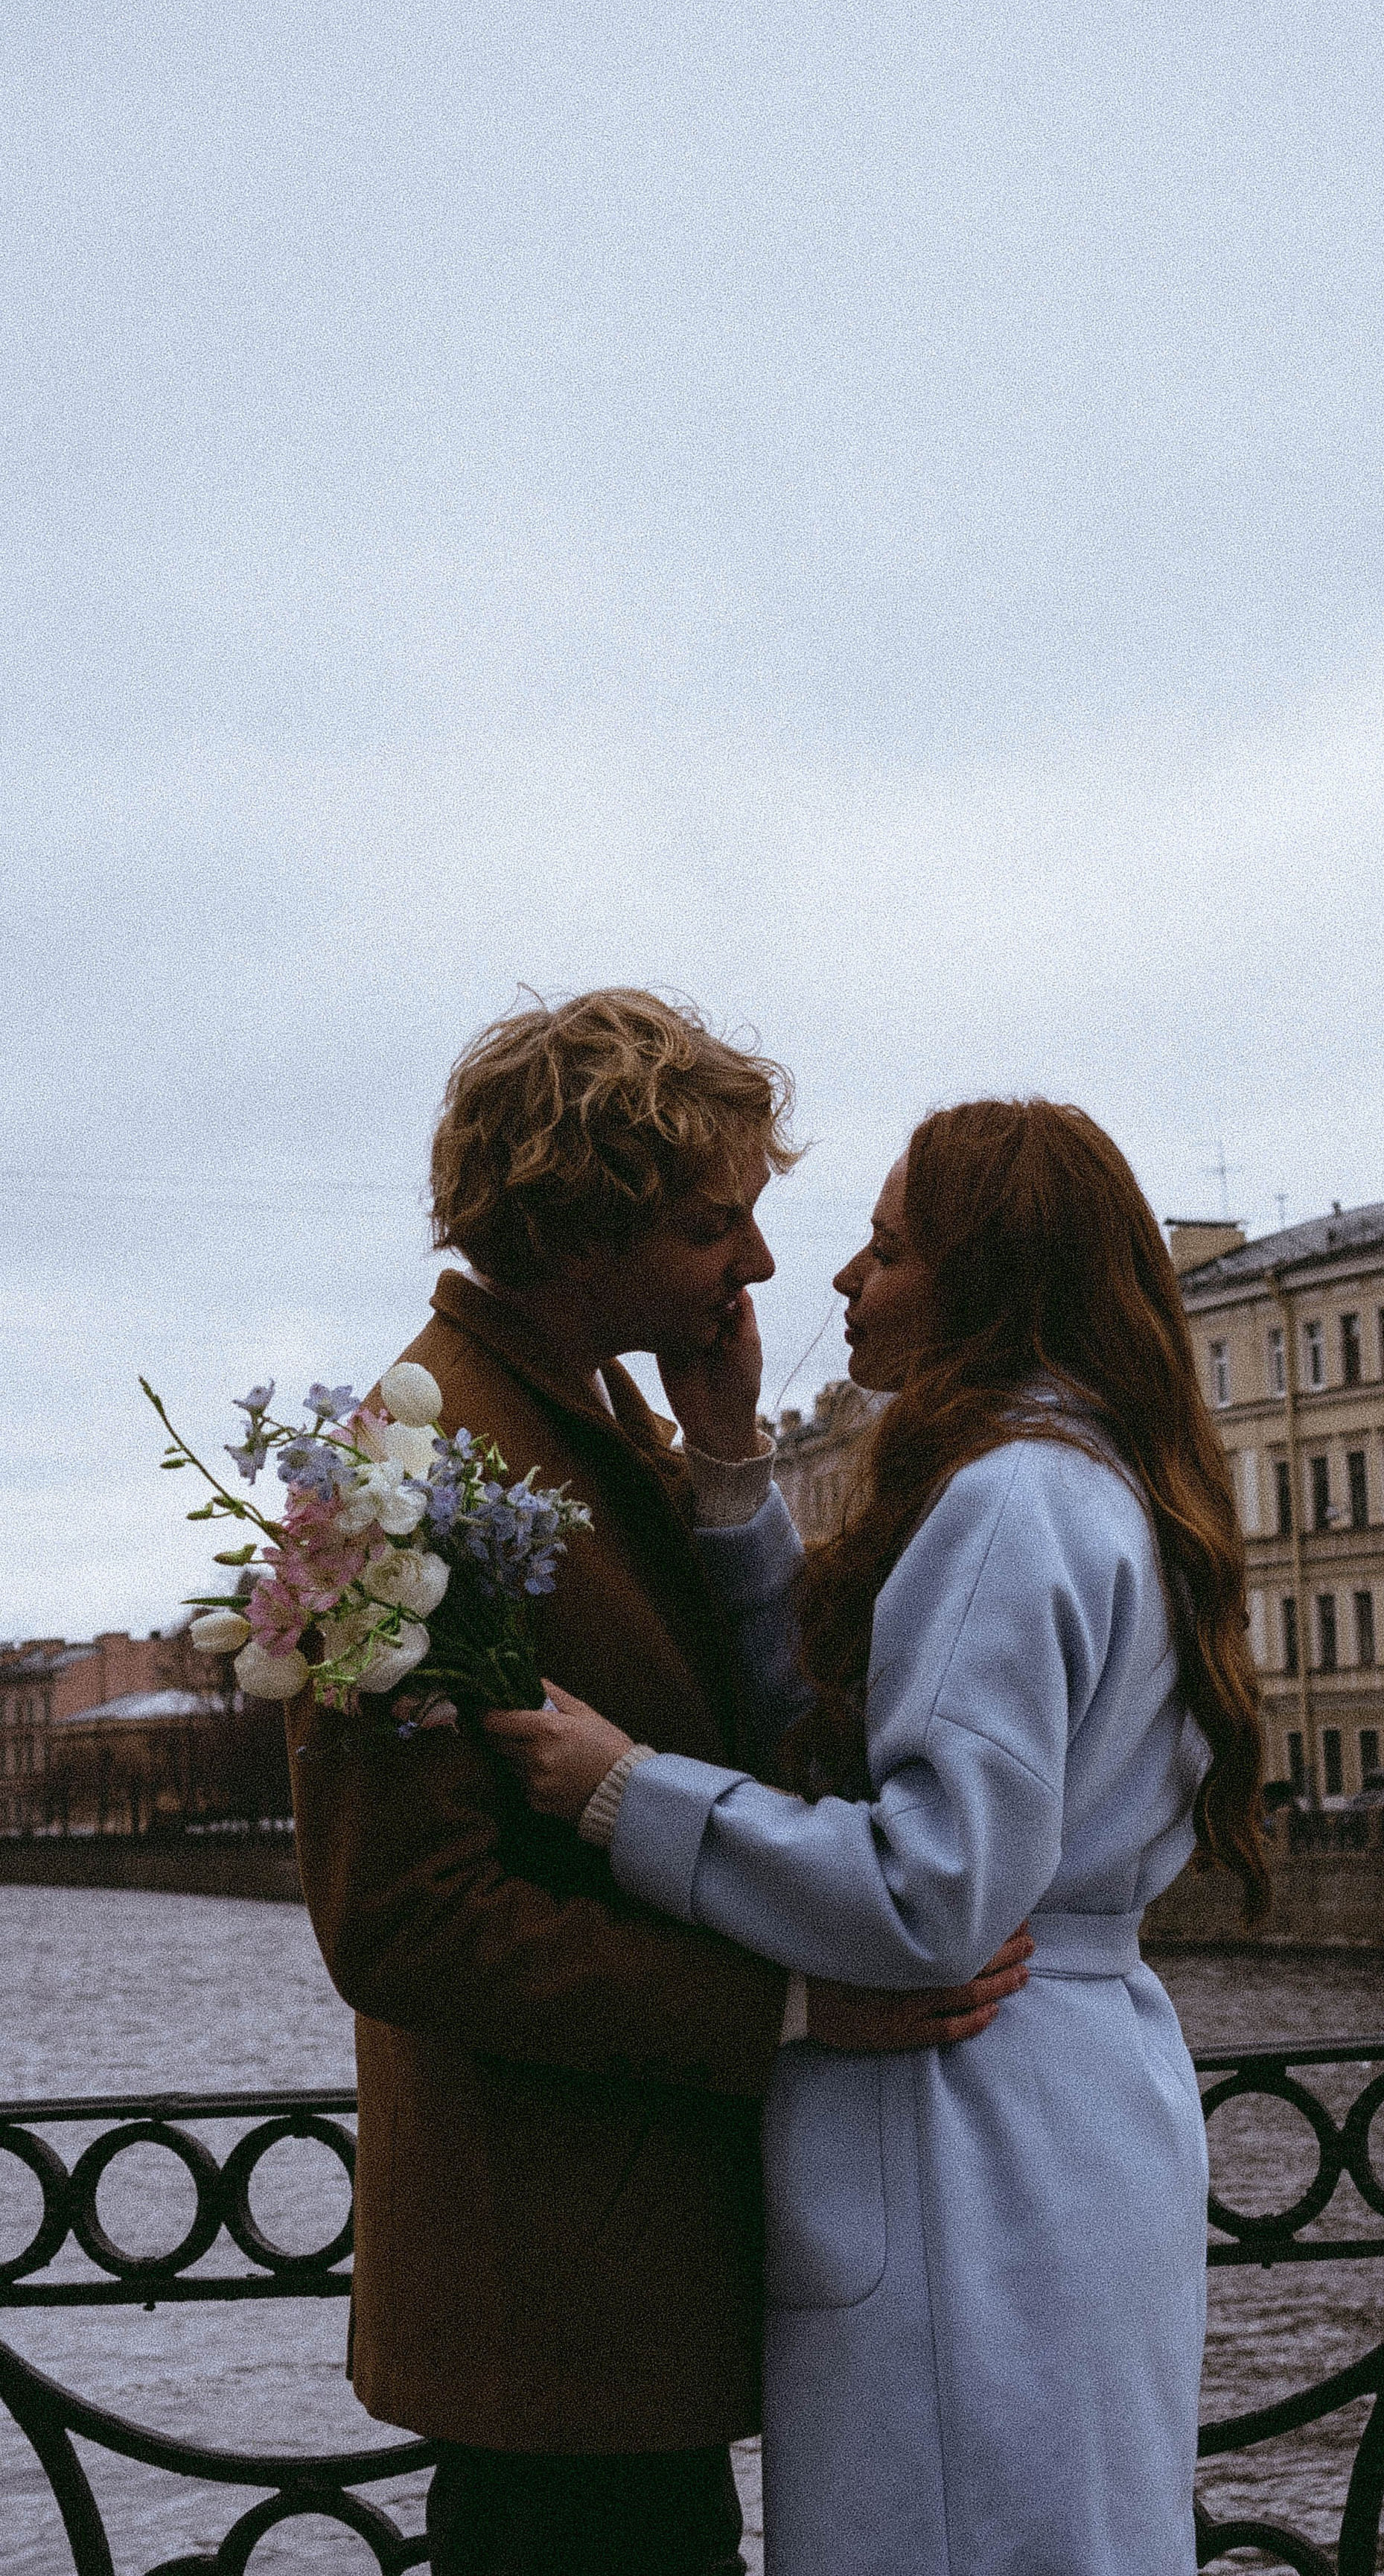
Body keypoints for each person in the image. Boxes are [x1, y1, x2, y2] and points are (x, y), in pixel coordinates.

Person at [290, 993, 1028, 2576]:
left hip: (616, 2284)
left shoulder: (578, 1415)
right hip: (548, 2302)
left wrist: (721, 1460)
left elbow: (724, 1737)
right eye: (715, 1224)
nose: (760, 1267)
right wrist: (788, 2011)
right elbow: (404, 1923)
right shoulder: (404, 1469)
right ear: (577, 1228)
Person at [488, 1098, 1269, 2576]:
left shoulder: (1004, 1502)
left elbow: (927, 1896)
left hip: (964, 2127)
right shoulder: (1092, 1475)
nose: (839, 1279)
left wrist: (622, 1789)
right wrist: (733, 1472)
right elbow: (861, 1752)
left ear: (984, 1279)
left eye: (888, 1245)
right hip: (1072, 2102)